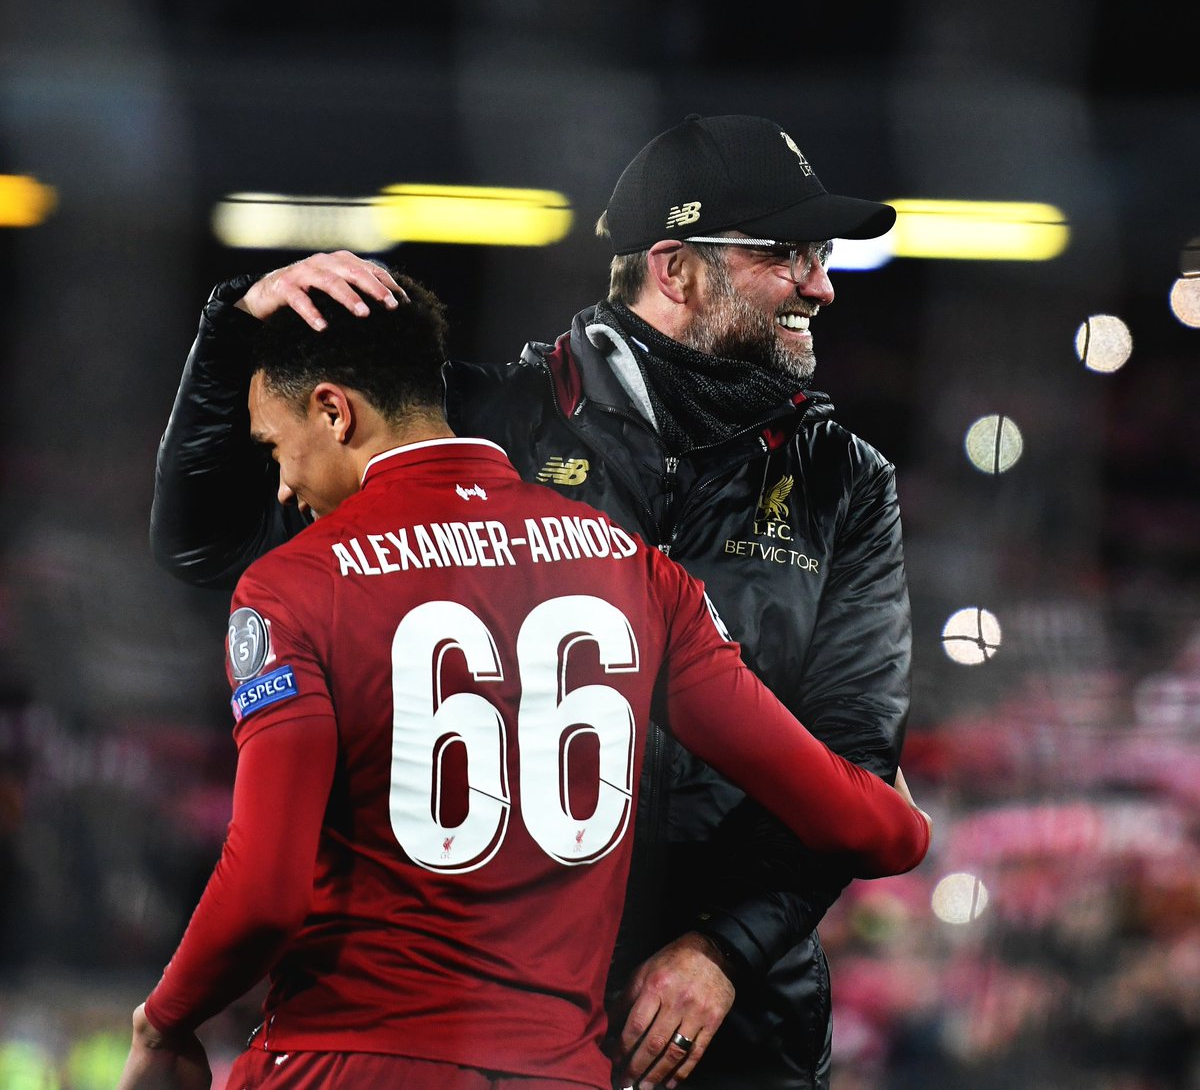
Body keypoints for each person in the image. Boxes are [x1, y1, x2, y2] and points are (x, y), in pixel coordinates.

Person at [149, 113, 912, 1089]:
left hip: (729, 1025)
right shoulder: (479, 419)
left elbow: (855, 754)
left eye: (821, 256)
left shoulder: (846, 481)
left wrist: (723, 948)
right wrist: (231, 331)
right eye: (786, 254)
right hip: (487, 1008)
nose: (821, 284)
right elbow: (206, 541)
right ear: (675, 269)